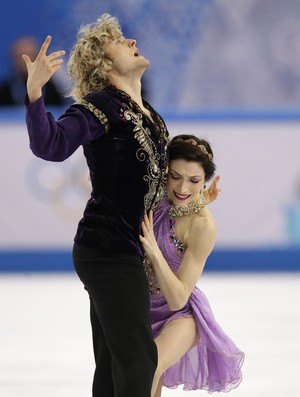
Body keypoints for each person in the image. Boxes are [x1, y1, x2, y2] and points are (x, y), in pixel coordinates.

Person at [22, 14, 170, 397]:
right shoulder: (100, 106)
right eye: (119, 40)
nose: (131, 39)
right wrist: (36, 93)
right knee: (138, 360)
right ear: (105, 65)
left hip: (124, 250)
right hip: (107, 249)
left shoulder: (146, 111)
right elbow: (50, 145)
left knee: (114, 364)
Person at [140, 135, 244, 397]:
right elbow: (177, 207)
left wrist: (154, 253)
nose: (182, 187)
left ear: (206, 181)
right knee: (146, 382)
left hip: (181, 315)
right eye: (175, 176)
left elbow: (178, 298)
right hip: (141, 308)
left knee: (146, 366)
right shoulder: (159, 198)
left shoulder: (203, 226)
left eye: (194, 181)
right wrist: (199, 199)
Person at [0, 36, 65, 106]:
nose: (23, 62)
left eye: (29, 55)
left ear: (37, 57)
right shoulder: (5, 88)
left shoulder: (50, 87)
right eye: (19, 57)